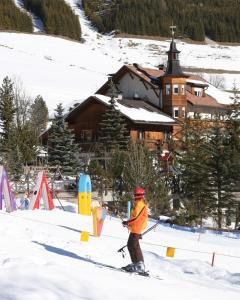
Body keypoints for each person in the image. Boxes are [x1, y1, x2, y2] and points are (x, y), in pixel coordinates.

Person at [122, 187, 148, 273]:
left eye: (135, 194)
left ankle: (139, 264)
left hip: (137, 227)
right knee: (132, 245)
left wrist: (128, 223)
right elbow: (135, 217)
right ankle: (136, 263)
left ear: (138, 195)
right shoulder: (138, 203)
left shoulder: (140, 204)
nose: (134, 196)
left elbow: (136, 217)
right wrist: (128, 223)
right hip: (135, 227)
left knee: (133, 245)